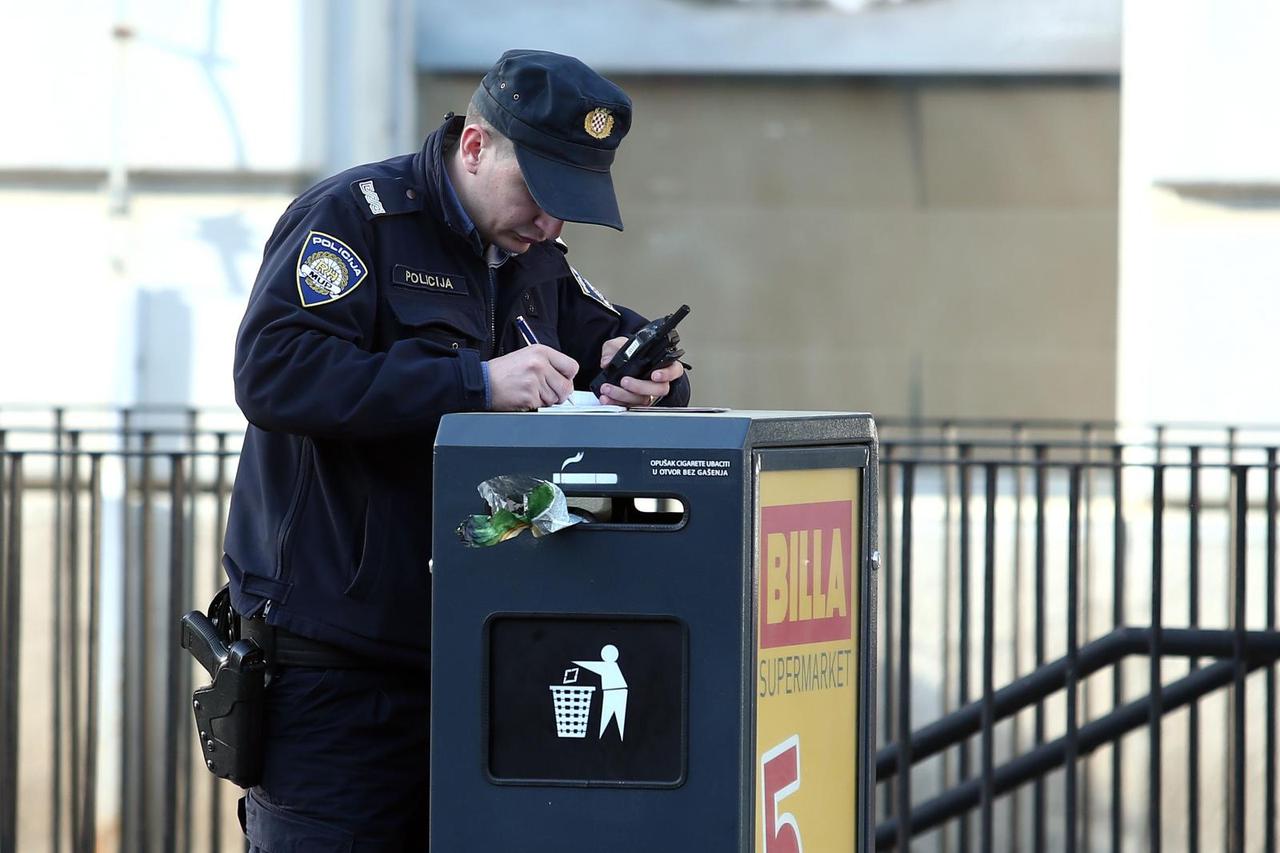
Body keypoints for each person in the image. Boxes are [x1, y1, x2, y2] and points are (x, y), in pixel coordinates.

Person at [220, 49, 690, 851]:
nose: (551, 223)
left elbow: (613, 335)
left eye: (569, 204)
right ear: (475, 147)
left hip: (482, 653)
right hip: (339, 670)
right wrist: (472, 382)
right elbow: (275, 372)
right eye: (539, 192)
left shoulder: (531, 258)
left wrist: (647, 375)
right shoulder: (354, 218)